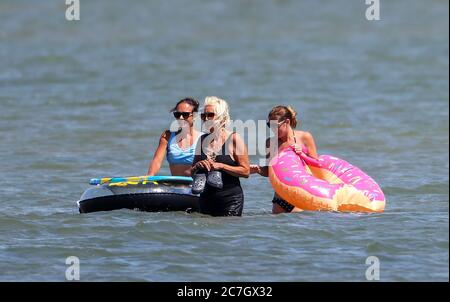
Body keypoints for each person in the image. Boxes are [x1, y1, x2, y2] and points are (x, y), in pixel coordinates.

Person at [250, 105, 319, 214]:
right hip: (280, 198)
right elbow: (270, 171)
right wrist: (257, 170)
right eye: (269, 125)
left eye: (275, 126)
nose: (272, 129)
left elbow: (317, 167)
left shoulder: (304, 137)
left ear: (286, 122)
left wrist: (302, 154)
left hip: (301, 196)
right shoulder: (270, 142)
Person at [191, 96, 250, 216]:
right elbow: (191, 172)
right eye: (203, 116)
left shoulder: (234, 138)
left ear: (222, 117)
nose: (206, 119)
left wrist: (221, 166)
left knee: (227, 232)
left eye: (210, 115)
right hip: (205, 198)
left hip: (230, 199)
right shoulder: (202, 140)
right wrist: (198, 166)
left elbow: (245, 171)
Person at [147, 98, 202, 177]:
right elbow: (157, 161)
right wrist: (149, 176)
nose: (181, 118)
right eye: (177, 114)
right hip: (176, 186)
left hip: (195, 186)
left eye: (185, 114)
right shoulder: (167, 136)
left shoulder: (203, 138)